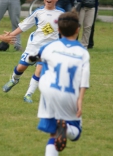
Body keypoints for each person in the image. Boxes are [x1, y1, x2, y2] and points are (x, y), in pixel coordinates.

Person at [35, 10, 90, 155]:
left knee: (53, 133)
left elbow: (37, 58)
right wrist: (80, 100)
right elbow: (83, 80)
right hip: (68, 94)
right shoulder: (83, 53)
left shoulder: (49, 47)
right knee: (76, 132)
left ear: (58, 29)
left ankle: (62, 128)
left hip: (48, 92)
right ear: (78, 29)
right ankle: (66, 128)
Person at [2, 0, 65, 103]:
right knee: (21, 67)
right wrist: (11, 35)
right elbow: (24, 25)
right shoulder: (38, 12)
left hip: (48, 49)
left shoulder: (61, 14)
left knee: (40, 69)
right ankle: (14, 80)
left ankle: (28, 94)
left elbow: (67, 29)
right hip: (34, 46)